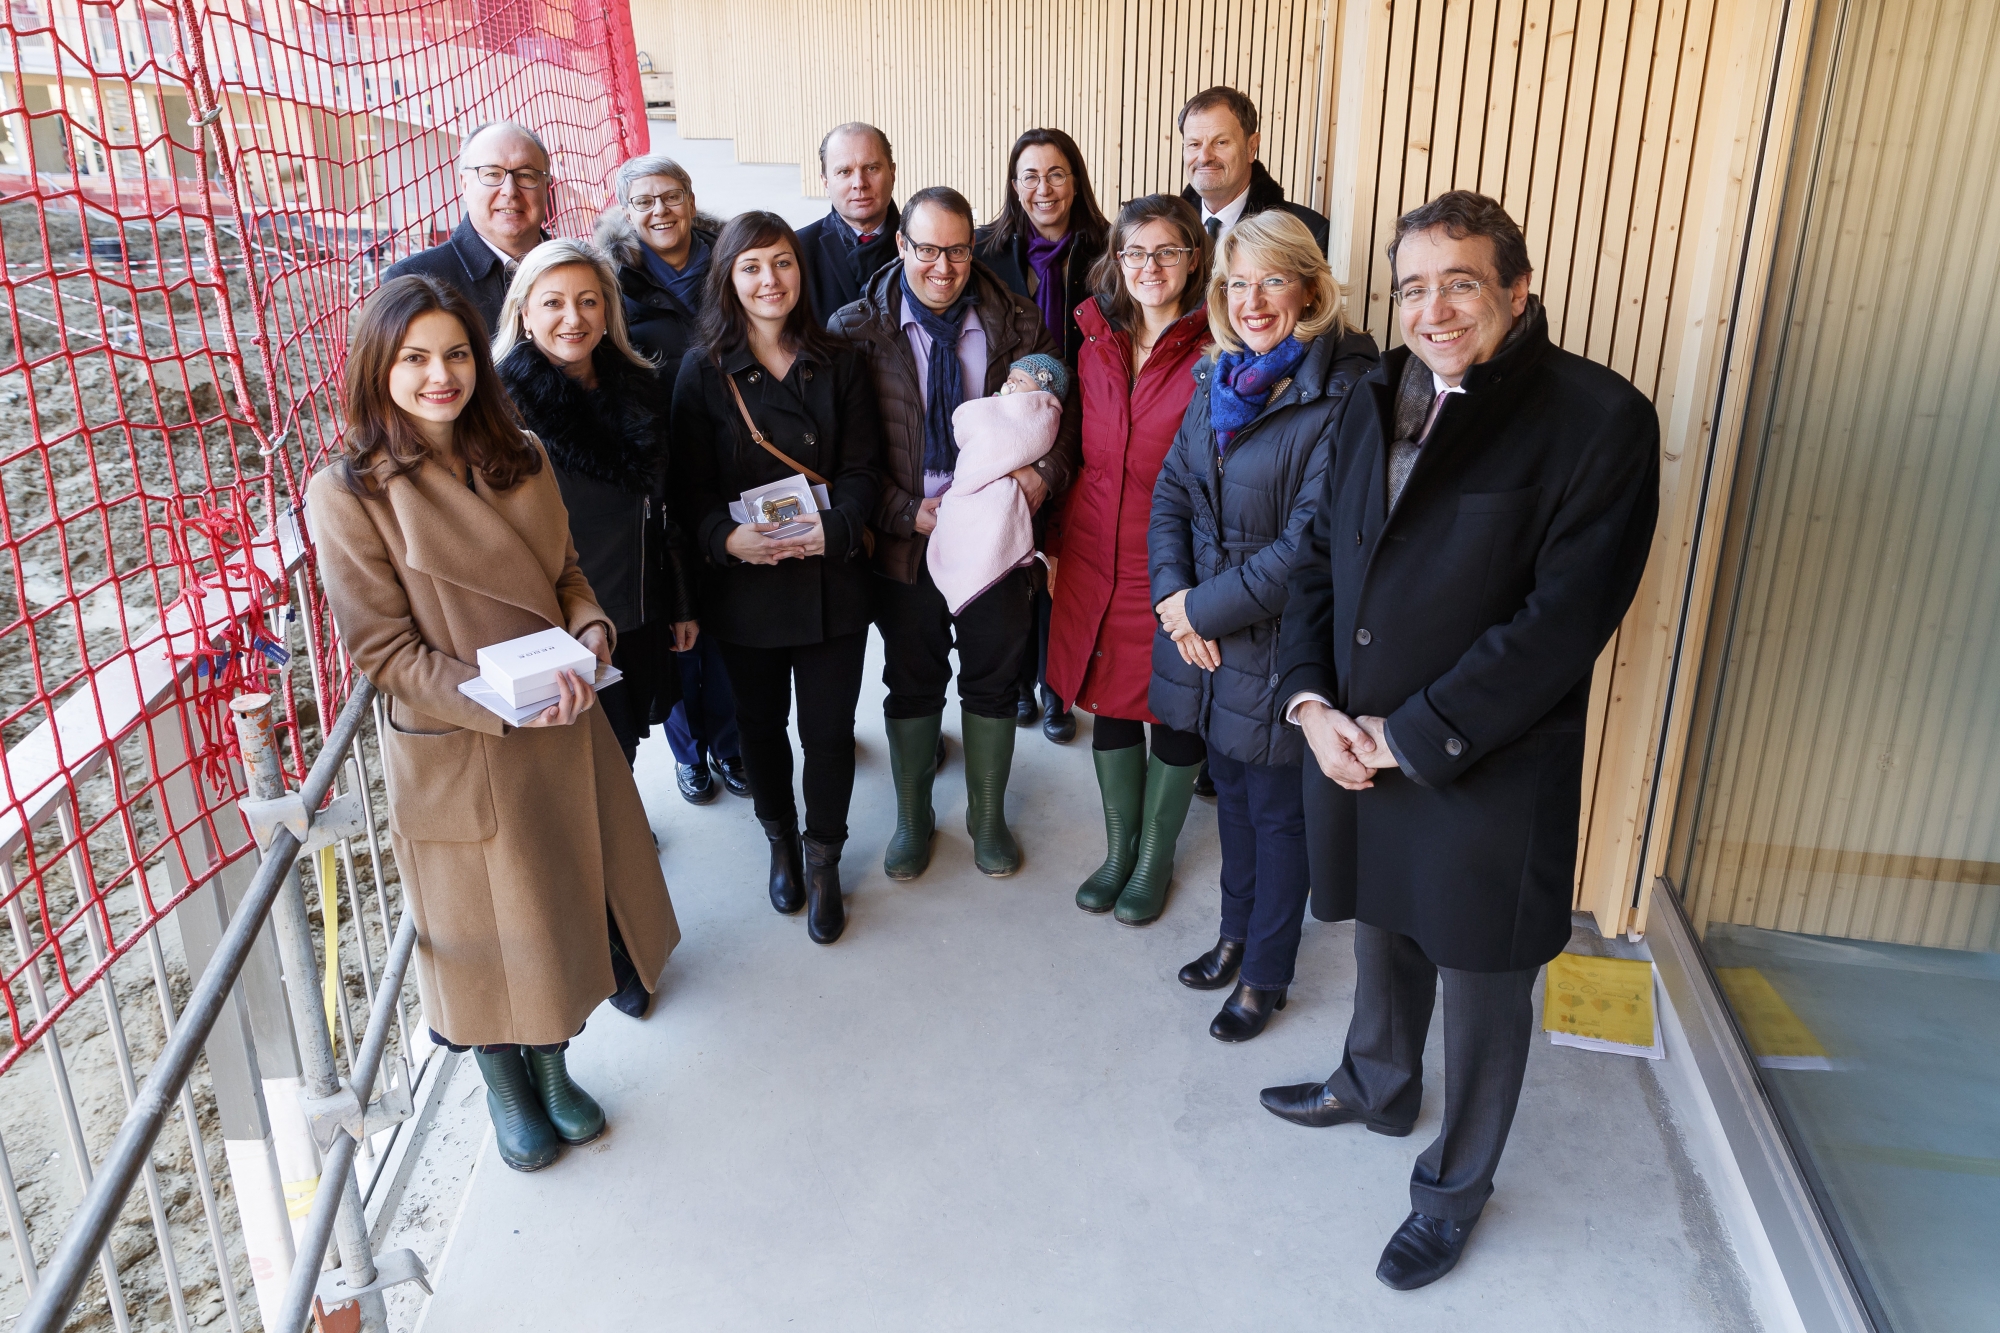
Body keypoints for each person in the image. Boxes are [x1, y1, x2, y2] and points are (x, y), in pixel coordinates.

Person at [1264, 191, 1659, 1290]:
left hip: (1484, 762)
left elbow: (1561, 624)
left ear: (1516, 291)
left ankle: (1453, 1188)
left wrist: (1410, 735)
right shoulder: (1368, 395)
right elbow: (1318, 565)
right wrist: (1308, 706)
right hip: (1352, 739)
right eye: (1411, 287)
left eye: (1459, 282)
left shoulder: (1599, 419)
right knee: (1383, 929)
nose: (1431, 310)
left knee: (1483, 977)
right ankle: (1376, 1081)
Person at [306, 275, 679, 1172]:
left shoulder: (521, 451)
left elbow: (567, 574)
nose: (442, 376)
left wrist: (590, 631)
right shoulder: (350, 492)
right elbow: (385, 650)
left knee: (557, 905)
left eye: (458, 354)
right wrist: (498, 696)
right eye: (417, 359)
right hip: (461, 737)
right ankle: (505, 1086)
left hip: (560, 717)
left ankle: (555, 1068)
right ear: (377, 368)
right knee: (484, 926)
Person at [1148, 211, 1378, 1039]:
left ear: (1310, 288)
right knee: (1233, 805)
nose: (1252, 300)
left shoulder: (1346, 390)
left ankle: (1267, 973)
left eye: (1272, 280)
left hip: (1281, 646)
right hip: (1207, 642)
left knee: (1278, 818)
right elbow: (1172, 492)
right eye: (1237, 282)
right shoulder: (1220, 375)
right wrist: (1175, 601)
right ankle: (1233, 935)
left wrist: (1197, 610)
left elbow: (1311, 545)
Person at [828, 186, 1080, 881]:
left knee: (995, 680)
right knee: (912, 680)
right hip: (909, 539)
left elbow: (1066, 423)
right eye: (929, 249)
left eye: (960, 250)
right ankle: (914, 818)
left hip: (996, 539)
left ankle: (986, 815)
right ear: (902, 245)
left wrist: (1040, 480)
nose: (944, 265)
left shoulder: (1016, 323)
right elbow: (844, 456)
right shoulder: (856, 329)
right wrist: (904, 511)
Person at [670, 211, 882, 945]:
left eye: (784, 263)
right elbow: (687, 491)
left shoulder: (841, 359)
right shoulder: (702, 371)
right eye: (753, 266)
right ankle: (780, 841)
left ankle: (825, 856)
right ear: (729, 277)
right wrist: (728, 540)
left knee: (827, 731)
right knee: (759, 726)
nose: (771, 280)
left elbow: (862, 469)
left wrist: (836, 527)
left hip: (831, 579)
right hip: (747, 586)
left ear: (803, 271)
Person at [1045, 194, 1212, 921]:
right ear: (1116, 260)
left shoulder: (1219, 346)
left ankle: (1155, 856)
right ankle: (1118, 850)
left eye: (1167, 251)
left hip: (1175, 558)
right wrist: (1052, 543)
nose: (1150, 266)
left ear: (1194, 259)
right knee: (1107, 697)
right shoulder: (1093, 338)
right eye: (1135, 252)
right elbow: (1071, 446)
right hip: (1092, 546)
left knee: (1175, 705)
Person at [493, 238, 697, 795]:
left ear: (608, 310)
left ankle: (623, 848)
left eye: (588, 301)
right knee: (578, 767)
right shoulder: (501, 409)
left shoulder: (637, 386)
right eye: (553, 302)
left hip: (634, 610)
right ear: (525, 314)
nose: (573, 317)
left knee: (623, 748)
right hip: (558, 624)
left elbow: (663, 506)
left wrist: (677, 601)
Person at [595, 154, 750, 806]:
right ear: (626, 212)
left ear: (691, 198)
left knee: (734, 622)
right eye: (644, 201)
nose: (659, 211)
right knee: (678, 628)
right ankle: (692, 754)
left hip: (736, 464)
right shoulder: (615, 285)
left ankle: (734, 742)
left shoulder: (732, 262)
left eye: (671, 196)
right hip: (662, 479)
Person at [974, 128, 1111, 744]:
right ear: (1013, 184)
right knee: (1012, 558)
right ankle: (1022, 681)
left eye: (1056, 174)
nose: (1042, 188)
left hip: (1088, 428)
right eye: (1029, 175)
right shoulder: (984, 252)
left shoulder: (1108, 251)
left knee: (1065, 564)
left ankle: (1057, 690)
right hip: (1013, 432)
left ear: (1075, 180)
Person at [384, 121, 553, 333]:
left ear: (546, 187)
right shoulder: (412, 280)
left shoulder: (582, 272)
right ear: (464, 184)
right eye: (492, 174)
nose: (510, 190)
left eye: (526, 175)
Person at [1176, 87, 1329, 253]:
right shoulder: (1164, 231)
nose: (1204, 157)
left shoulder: (1308, 233)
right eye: (1194, 144)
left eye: (1220, 142)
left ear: (1251, 147)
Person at [796, 123, 901, 325]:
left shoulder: (922, 244)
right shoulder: (798, 251)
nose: (860, 183)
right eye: (844, 171)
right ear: (825, 182)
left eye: (871, 168)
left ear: (892, 173)